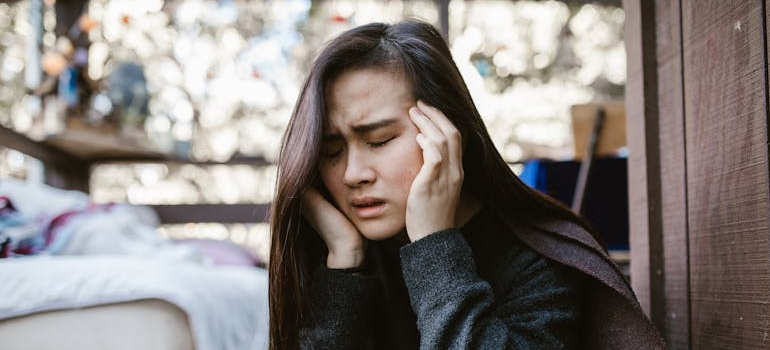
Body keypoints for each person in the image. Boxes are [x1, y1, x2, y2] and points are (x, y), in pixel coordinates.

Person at [268, 19, 665, 350]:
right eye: (331, 151)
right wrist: (343, 263)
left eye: (380, 141)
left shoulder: (539, 261)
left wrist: (434, 247)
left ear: (446, 133)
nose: (353, 173)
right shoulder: (337, 255)